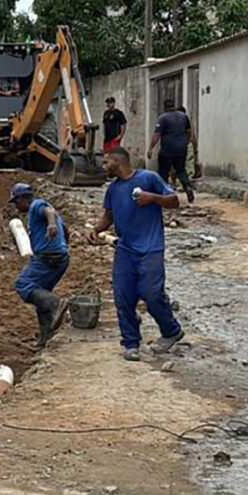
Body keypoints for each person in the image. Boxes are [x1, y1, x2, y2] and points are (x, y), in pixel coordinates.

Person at [87, 147, 184, 361]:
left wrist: (152, 198)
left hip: (151, 247)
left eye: (106, 163)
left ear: (118, 161)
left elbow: (174, 201)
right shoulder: (112, 189)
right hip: (125, 249)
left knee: (152, 294)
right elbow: (109, 216)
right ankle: (131, 343)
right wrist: (96, 229)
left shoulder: (148, 178)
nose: (103, 167)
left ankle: (171, 331)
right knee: (123, 297)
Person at [10, 183, 71, 347]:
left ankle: (56, 305)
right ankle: (46, 338)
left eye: (16, 201)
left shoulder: (37, 205)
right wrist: (63, 245)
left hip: (48, 258)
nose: (16, 206)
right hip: (60, 258)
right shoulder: (38, 211)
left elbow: (49, 213)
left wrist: (51, 224)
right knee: (40, 296)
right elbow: (65, 230)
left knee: (23, 284)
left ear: (22, 198)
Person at [147, 99, 196, 203]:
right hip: (181, 148)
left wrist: (151, 148)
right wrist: (186, 142)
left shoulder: (163, 118)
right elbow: (189, 131)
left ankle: (165, 194)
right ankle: (188, 187)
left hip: (167, 149)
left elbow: (157, 135)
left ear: (164, 107)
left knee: (163, 172)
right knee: (181, 170)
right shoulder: (183, 116)